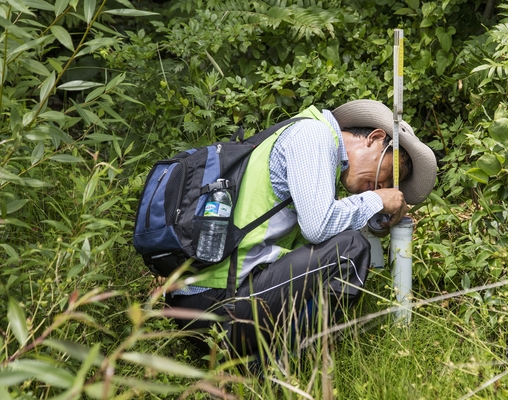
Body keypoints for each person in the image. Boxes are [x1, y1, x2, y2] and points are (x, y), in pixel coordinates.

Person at [164, 99, 437, 357]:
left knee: (346, 241)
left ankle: (266, 358)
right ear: (375, 139)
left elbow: (318, 232)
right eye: (387, 175)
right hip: (218, 304)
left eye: (386, 186)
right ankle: (274, 362)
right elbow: (318, 228)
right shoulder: (313, 135)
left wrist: (371, 212)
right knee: (351, 248)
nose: (381, 186)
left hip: (210, 302)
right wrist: (375, 200)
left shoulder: (308, 139)